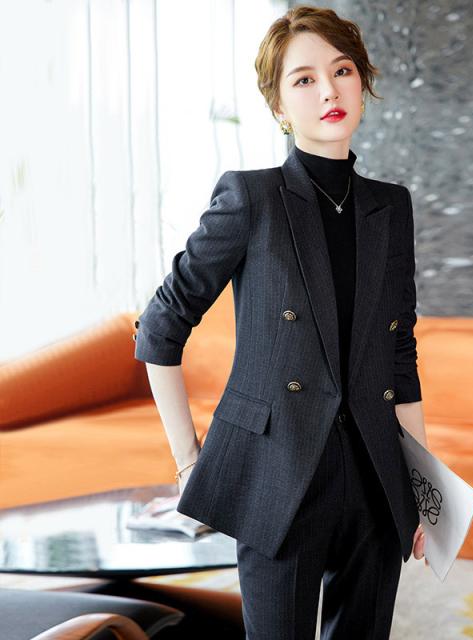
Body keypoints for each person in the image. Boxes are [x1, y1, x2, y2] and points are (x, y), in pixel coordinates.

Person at [133, 5, 428, 638]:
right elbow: (160, 326)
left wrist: (421, 486)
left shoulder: (391, 207)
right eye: (304, 79)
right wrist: (189, 463)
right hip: (278, 476)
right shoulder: (252, 198)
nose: (329, 91)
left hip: (376, 478)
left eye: (342, 71)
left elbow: (399, 355)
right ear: (278, 106)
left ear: (363, 82)